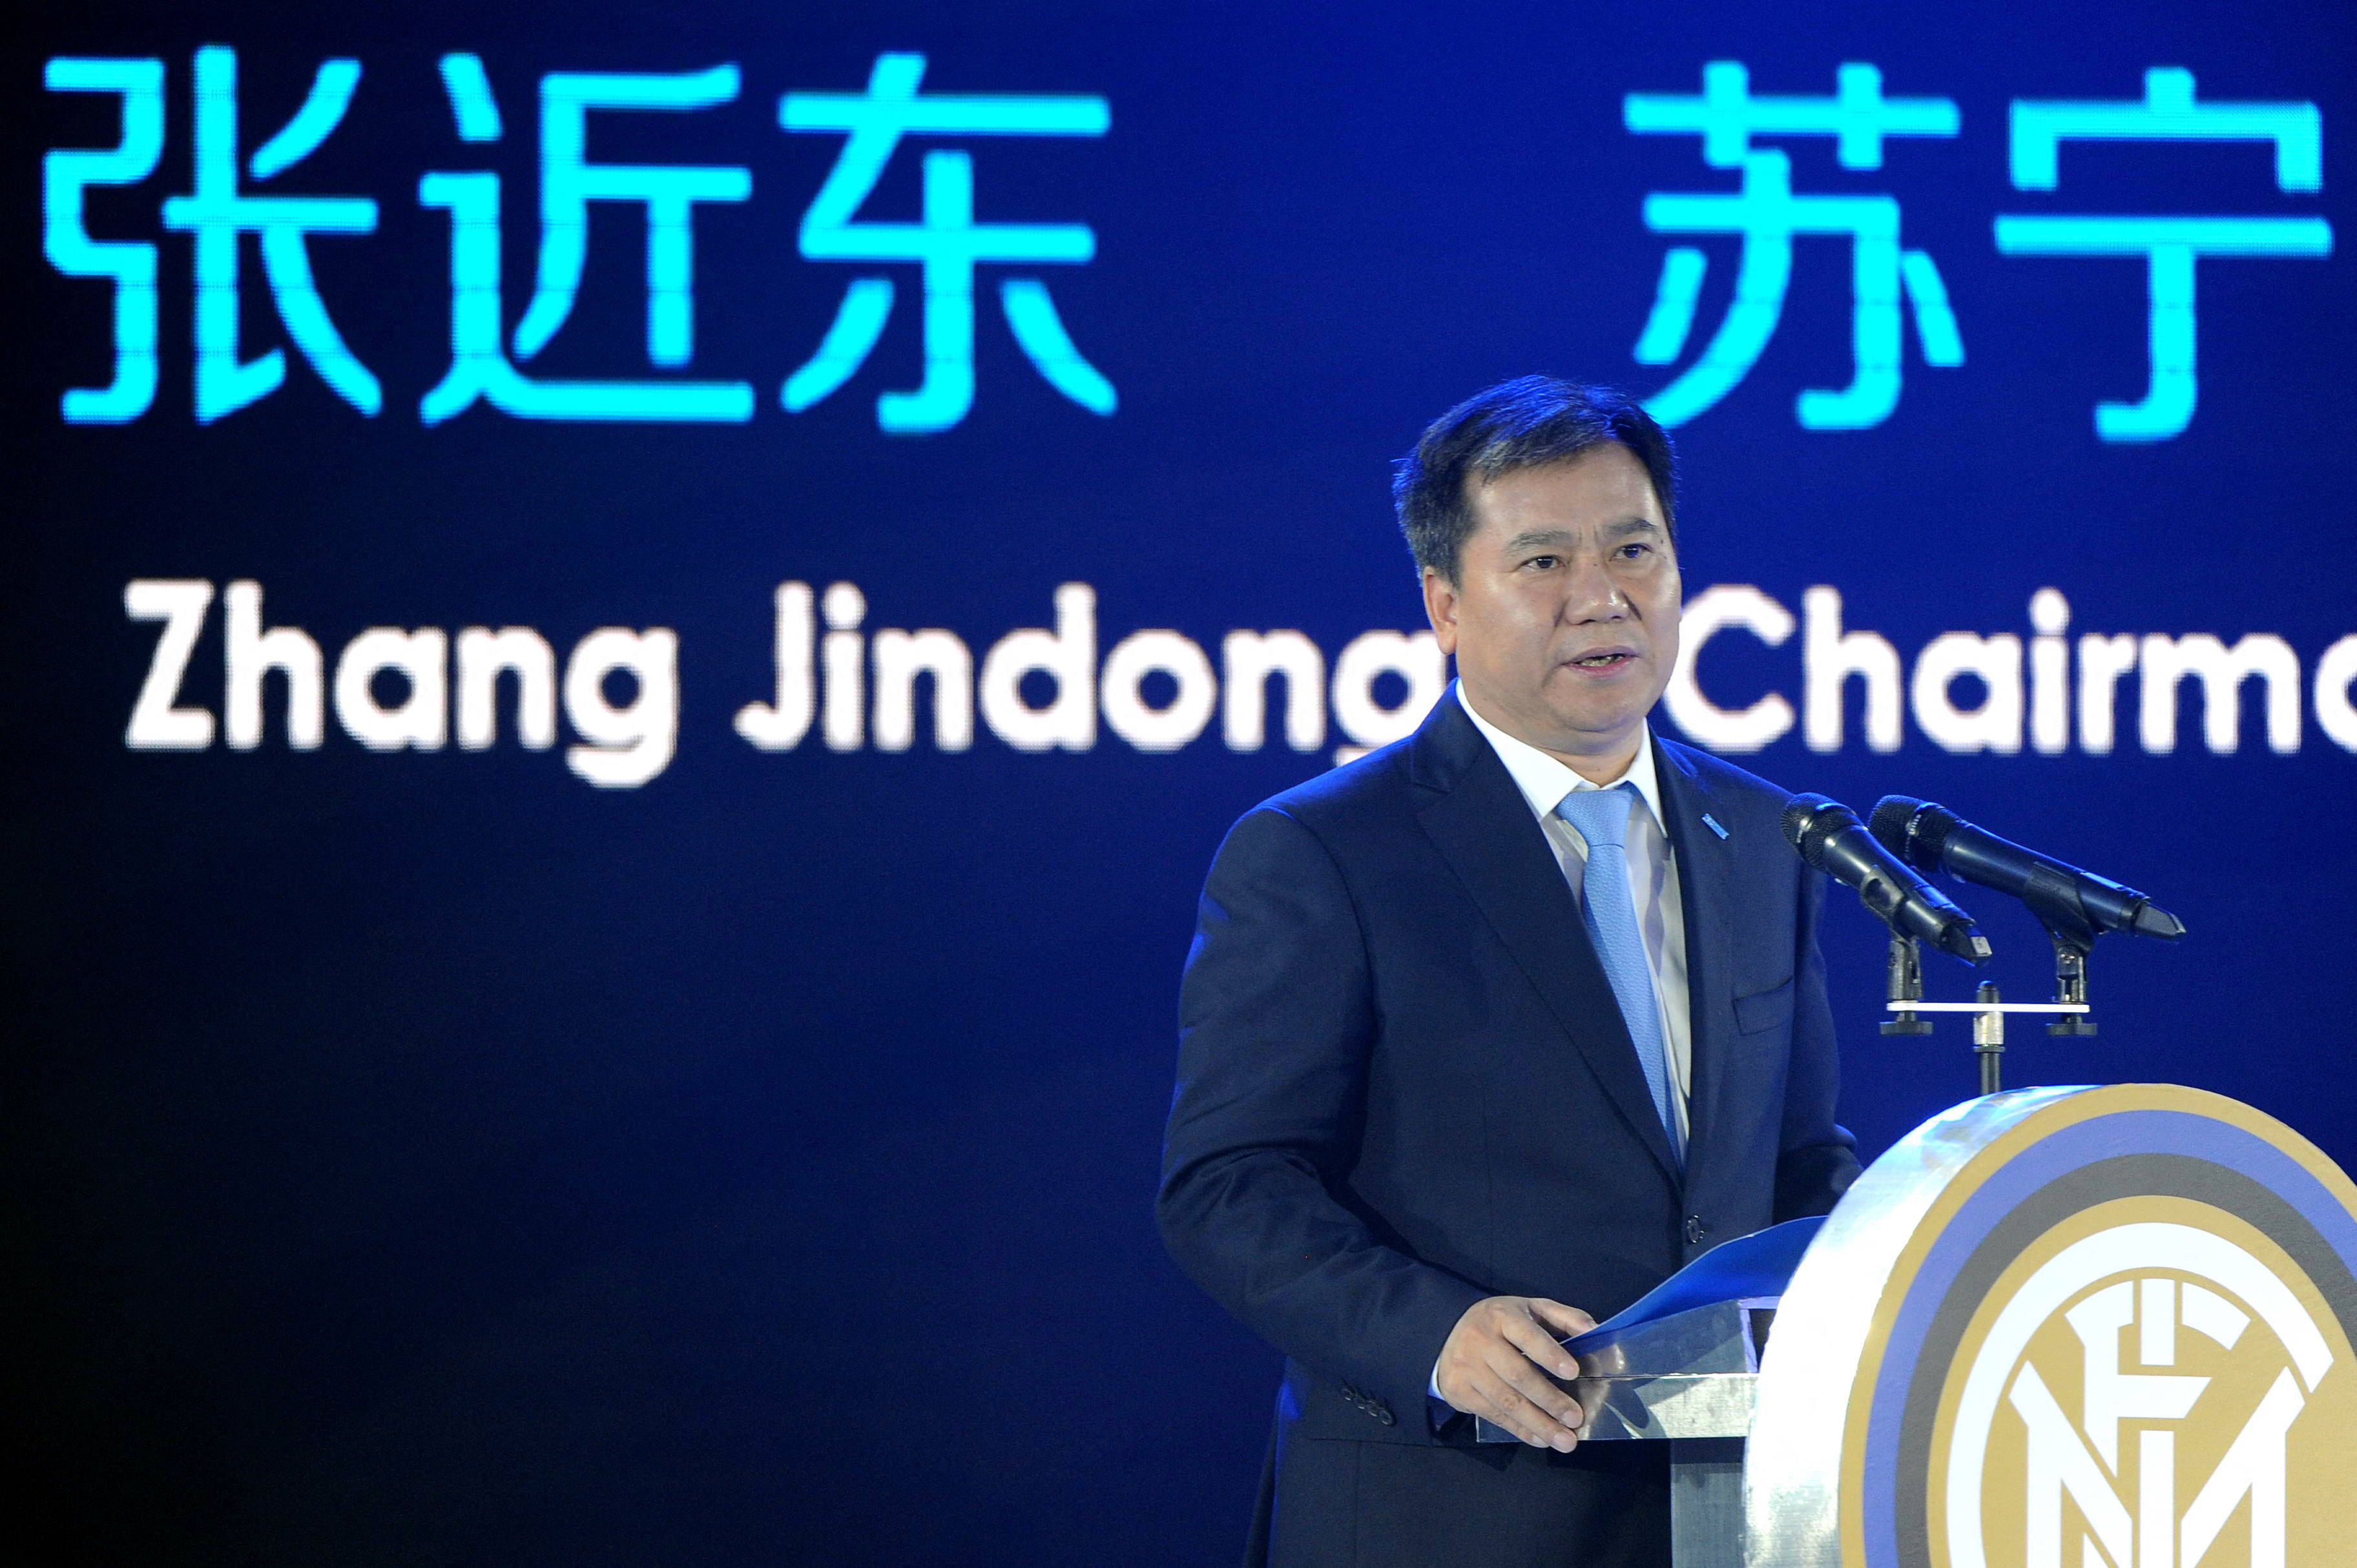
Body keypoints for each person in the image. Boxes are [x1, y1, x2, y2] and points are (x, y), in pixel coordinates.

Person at [1157, 377, 1860, 1568]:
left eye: (1633, 548)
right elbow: (1228, 1185)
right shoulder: (1325, 850)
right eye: (1541, 562)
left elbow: (1797, 1156)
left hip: (1729, 1518)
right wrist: (1438, 1336)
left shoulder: (1766, 836)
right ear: (1442, 601)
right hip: (1450, 1509)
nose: (1602, 596)